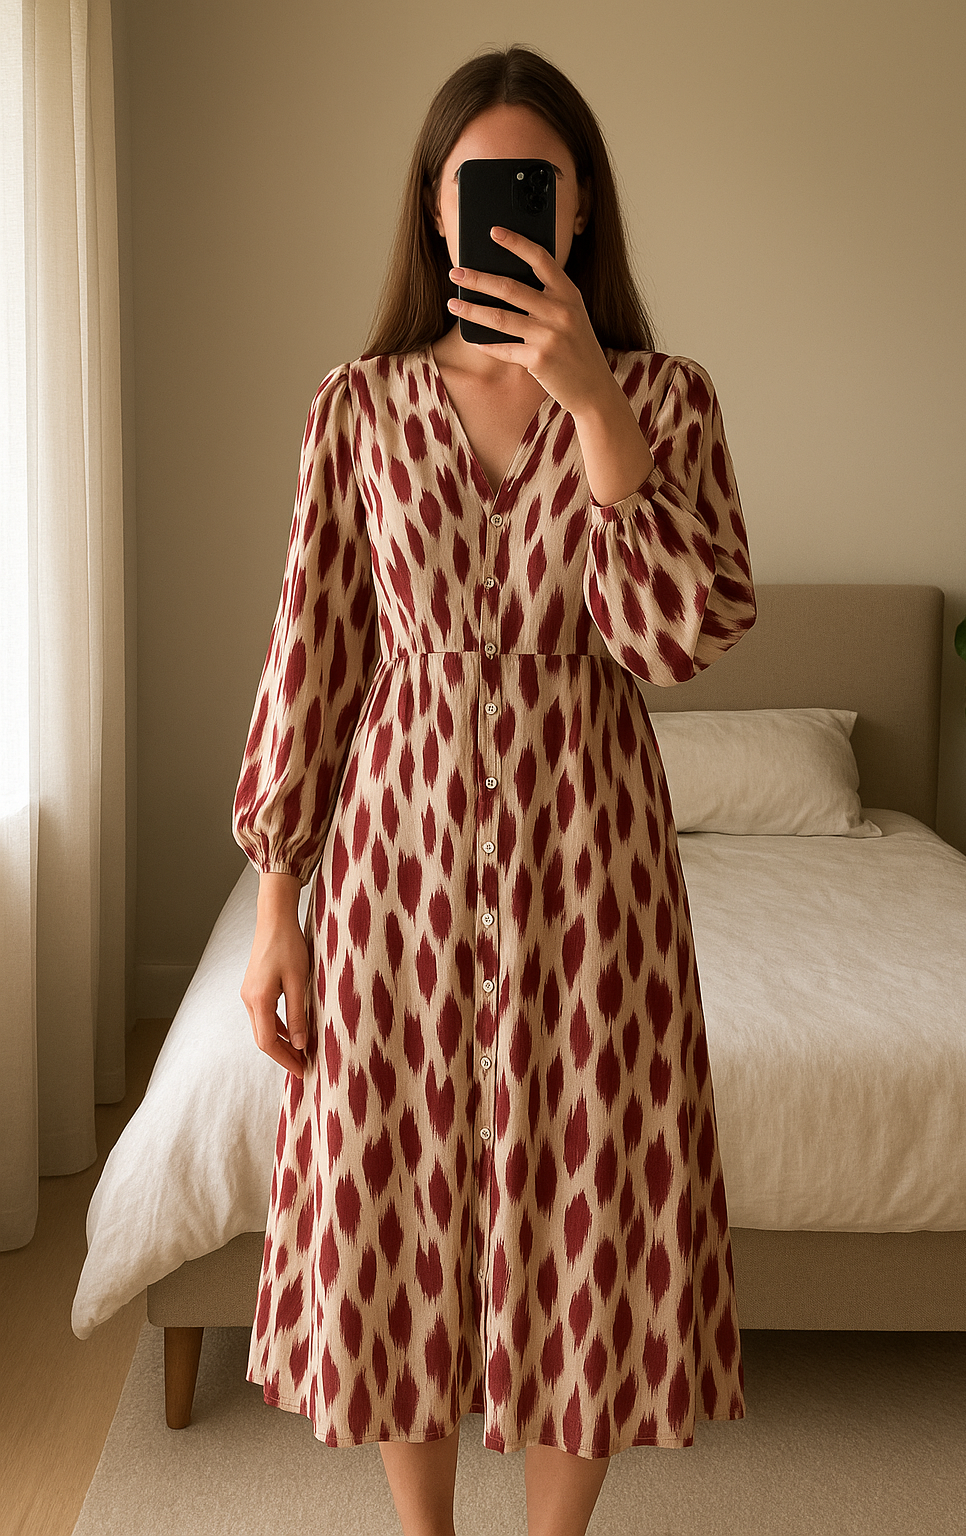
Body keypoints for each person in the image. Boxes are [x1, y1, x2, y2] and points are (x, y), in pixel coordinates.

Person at [234, 43, 755, 1536]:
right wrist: (281, 908)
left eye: (539, 186)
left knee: (589, 1190)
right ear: (437, 208)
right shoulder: (359, 408)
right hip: (393, 863)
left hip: (595, 868)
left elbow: (674, 636)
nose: (512, 214)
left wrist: (591, 406)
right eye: (481, 189)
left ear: (579, 212)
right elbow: (311, 658)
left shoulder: (666, 399)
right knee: (391, 1192)